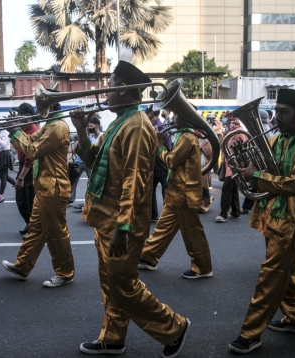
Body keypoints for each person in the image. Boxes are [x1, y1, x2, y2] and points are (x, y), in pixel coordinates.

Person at [70, 61, 190, 357]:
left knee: (123, 285)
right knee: (110, 284)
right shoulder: (120, 121)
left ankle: (174, 326)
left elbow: (134, 182)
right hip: (106, 217)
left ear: (124, 90)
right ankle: (112, 338)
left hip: (121, 223)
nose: (105, 93)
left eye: (110, 87)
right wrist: (81, 131)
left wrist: (122, 229)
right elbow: (92, 160)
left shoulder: (136, 125)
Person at [228, 89, 295, 354]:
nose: (277, 117)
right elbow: (264, 171)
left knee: (271, 275)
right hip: (274, 212)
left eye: (284, 112)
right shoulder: (278, 138)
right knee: (287, 271)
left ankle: (250, 333)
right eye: (276, 111)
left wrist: (256, 174)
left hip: (293, 218)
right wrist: (245, 160)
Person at [2, 93, 75, 288]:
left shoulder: (58, 127)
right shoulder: (49, 125)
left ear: (50, 107)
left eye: (42, 105)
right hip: (44, 187)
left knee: (56, 233)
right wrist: (15, 129)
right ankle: (22, 266)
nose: (39, 109)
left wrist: (15, 132)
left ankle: (65, 272)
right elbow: (29, 139)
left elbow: (33, 151)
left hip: (54, 187)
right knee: (35, 229)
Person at [139, 111, 213, 279]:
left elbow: (172, 160)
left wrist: (160, 146)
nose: (174, 117)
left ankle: (203, 267)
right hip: (177, 191)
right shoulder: (182, 134)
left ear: (185, 116)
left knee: (192, 232)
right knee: (163, 227)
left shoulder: (187, 136)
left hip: (185, 192)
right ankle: (148, 258)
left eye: (177, 114)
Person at [11, 103, 38, 236]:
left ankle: (33, 228)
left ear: (27, 115)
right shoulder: (23, 128)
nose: (17, 116)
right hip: (23, 165)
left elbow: (30, 158)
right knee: (21, 199)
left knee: (30, 200)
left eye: (19, 113)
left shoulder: (32, 130)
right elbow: (18, 147)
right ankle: (29, 223)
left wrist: (21, 177)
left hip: (29, 168)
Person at [241, 110, 273, 214]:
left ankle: (248, 207)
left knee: (256, 184)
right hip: (258, 160)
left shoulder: (264, 131)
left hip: (260, 161)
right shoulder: (262, 130)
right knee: (256, 184)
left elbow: (258, 147)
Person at [215, 112, 245, 223]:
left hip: (235, 165)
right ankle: (235, 211)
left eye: (227, 118)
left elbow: (242, 148)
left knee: (226, 189)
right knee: (233, 189)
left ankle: (223, 214)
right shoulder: (230, 131)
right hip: (229, 164)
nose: (226, 120)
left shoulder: (239, 132)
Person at [69, 114, 102, 208]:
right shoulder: (87, 135)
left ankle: (89, 201)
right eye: (88, 126)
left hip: (92, 163)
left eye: (91, 126)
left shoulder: (101, 137)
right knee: (73, 179)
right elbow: (72, 139)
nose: (89, 128)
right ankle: (70, 199)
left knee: (92, 182)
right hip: (80, 161)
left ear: (97, 126)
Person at [145, 105, 169, 222]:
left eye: (147, 113)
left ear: (151, 114)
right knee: (151, 191)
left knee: (165, 192)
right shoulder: (153, 126)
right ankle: (153, 215)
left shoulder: (159, 127)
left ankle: (165, 216)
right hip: (155, 164)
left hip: (162, 164)